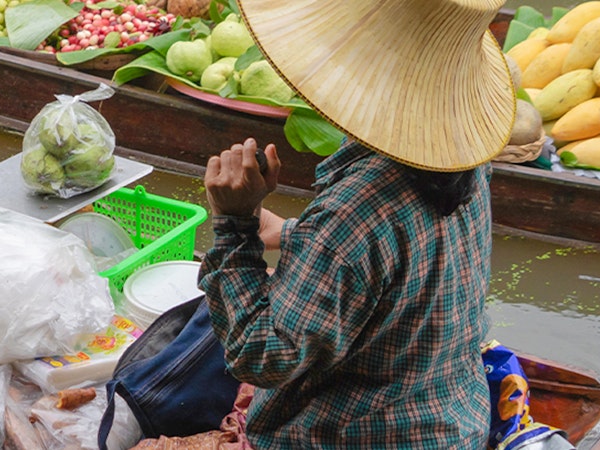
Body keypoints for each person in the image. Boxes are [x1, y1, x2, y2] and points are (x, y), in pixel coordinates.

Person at [197, 0, 517, 448]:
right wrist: (298, 236)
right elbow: (406, 261)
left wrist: (233, 225)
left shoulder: (352, 212)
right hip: (453, 424)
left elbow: (262, 356)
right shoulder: (465, 159)